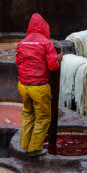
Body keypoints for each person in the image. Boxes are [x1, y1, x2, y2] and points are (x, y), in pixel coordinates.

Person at [15, 13, 63, 157]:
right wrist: (58, 58)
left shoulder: (22, 43)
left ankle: (23, 146)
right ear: (44, 28)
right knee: (43, 118)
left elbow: (18, 61)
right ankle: (35, 148)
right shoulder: (46, 43)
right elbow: (53, 66)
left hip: (23, 86)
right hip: (39, 87)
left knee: (28, 114)